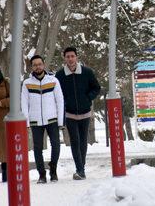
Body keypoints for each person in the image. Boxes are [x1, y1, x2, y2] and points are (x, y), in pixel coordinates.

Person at [55, 46, 101, 180]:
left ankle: (81, 168)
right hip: (69, 113)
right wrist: (65, 103)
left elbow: (96, 87)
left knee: (83, 141)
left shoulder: (87, 72)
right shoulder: (60, 75)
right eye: (67, 56)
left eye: (72, 56)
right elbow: (57, 93)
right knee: (75, 141)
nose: (70, 59)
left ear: (76, 57)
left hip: (85, 112)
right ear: (64, 58)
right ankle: (80, 169)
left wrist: (88, 98)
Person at [21, 55, 64, 183]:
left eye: (40, 64)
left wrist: (61, 121)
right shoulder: (27, 83)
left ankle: (53, 169)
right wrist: (26, 122)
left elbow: (60, 101)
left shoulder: (53, 80)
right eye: (35, 65)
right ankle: (42, 174)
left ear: (44, 65)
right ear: (31, 67)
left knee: (56, 145)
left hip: (52, 119)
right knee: (37, 148)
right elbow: (24, 103)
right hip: (35, 121)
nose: (37, 67)